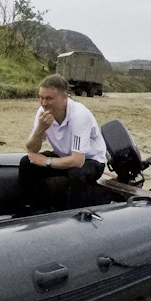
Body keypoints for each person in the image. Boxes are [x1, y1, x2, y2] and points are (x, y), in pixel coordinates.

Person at [18, 74, 107, 211]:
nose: (44, 103)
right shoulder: (42, 112)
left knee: (76, 173)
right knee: (26, 163)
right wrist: (40, 129)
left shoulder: (79, 115)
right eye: (41, 98)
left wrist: (47, 161)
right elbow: (31, 149)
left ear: (64, 98)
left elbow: (78, 161)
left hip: (91, 160)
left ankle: (73, 215)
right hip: (65, 155)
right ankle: (29, 208)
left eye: (49, 98)